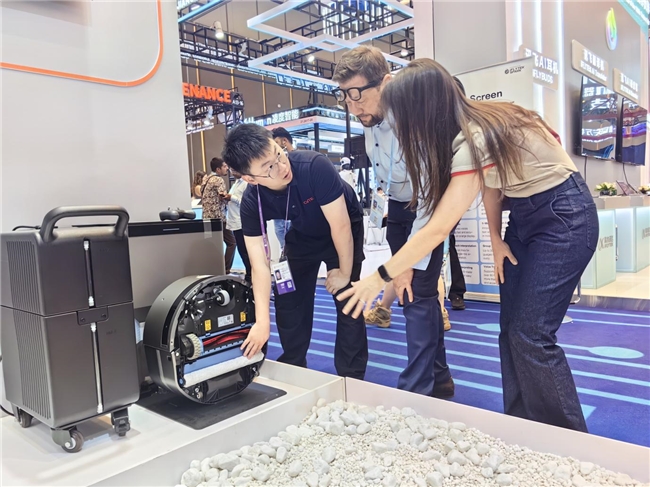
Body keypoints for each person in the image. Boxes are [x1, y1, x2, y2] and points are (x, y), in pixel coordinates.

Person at [339, 58, 598, 433]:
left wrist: (379, 277)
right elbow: (493, 184)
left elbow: (438, 227)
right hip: (524, 216)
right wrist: (495, 238)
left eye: (401, 112)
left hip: (564, 215)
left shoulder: (474, 138)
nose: (398, 121)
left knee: (531, 335)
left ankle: (569, 442)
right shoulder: (466, 131)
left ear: (422, 108)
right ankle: (524, 427)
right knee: (511, 331)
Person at [333, 46, 454, 398]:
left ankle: (416, 391)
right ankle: (440, 378)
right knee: (417, 296)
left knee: (414, 294)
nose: (353, 107)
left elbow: (431, 198)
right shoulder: (370, 119)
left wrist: (407, 263)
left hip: (427, 209)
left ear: (386, 83)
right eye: (345, 97)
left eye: (358, 95)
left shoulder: (417, 119)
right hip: (397, 209)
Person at [221, 123, 368, 380]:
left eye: (278, 154)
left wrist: (344, 273)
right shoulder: (252, 202)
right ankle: (294, 364)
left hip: (343, 225)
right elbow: (259, 265)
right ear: (250, 178)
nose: (281, 167)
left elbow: (341, 226)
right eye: (269, 167)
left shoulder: (314, 166)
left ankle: (351, 375)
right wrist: (262, 322)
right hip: (302, 232)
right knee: (288, 297)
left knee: (347, 298)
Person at [202, 157, 237, 274]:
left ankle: (213, 269)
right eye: (224, 166)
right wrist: (231, 198)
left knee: (212, 245)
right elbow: (223, 196)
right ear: (218, 169)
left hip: (206, 218)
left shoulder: (206, 179)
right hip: (218, 218)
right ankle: (224, 269)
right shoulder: (218, 180)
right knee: (232, 243)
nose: (227, 168)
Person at [227, 169, 251, 283]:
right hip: (234, 221)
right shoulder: (236, 184)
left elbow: (246, 203)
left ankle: (250, 274)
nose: (232, 172)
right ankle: (249, 273)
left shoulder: (246, 184)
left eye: (234, 169)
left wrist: (231, 198)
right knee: (242, 250)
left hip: (241, 221)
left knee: (245, 250)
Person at [271, 127, 294, 247]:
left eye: (276, 143)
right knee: (284, 247)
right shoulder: (274, 163)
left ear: (284, 141)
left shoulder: (300, 161)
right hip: (280, 212)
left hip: (296, 212)